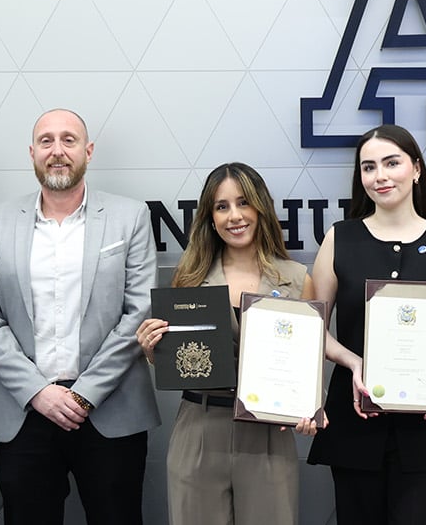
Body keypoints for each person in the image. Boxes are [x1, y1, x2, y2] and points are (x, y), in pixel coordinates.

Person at [0, 108, 160, 524]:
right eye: (47, 141)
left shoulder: (131, 217)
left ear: (88, 151)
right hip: (24, 412)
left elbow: (138, 310)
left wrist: (84, 392)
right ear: (32, 153)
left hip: (109, 409)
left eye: (69, 140)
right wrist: (38, 390)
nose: (58, 151)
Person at [135, 162, 325, 525]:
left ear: (260, 208)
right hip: (200, 426)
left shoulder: (296, 279)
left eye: (243, 203)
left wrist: (310, 408)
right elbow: (181, 358)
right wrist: (151, 349)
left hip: (269, 431)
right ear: (209, 216)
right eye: (222, 207)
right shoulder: (189, 279)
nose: (234, 216)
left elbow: (307, 363)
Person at [306, 124, 426, 524]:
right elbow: (312, 325)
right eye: (368, 167)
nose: (379, 176)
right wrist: (354, 363)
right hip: (355, 423)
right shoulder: (339, 239)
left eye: (391, 163)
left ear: (416, 169)